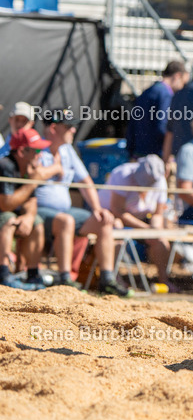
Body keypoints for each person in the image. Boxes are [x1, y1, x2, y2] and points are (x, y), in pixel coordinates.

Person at [32, 116, 132, 296]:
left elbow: (86, 181)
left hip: (64, 212)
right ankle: (65, 279)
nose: (73, 130)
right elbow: (32, 176)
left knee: (105, 221)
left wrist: (97, 209)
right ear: (54, 128)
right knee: (66, 221)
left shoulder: (67, 150)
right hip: (38, 211)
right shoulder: (37, 147)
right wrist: (54, 169)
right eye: (68, 126)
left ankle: (107, 279)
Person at [99, 155, 173, 286]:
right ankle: (113, 279)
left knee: (161, 241)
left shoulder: (159, 180)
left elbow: (158, 214)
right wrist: (145, 228)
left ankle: (164, 281)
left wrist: (154, 229)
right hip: (111, 217)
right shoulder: (122, 174)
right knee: (117, 230)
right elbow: (117, 210)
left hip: (141, 219)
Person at [0, 129, 46, 290]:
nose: (40, 154)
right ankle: (3, 274)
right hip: (5, 215)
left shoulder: (27, 168)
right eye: (37, 150)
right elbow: (5, 204)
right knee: (9, 220)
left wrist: (28, 217)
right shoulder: (5, 165)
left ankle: (33, 274)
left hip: (11, 212)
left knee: (37, 223)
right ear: (21, 151)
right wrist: (32, 183)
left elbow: (32, 200)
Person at [126, 60, 188, 159]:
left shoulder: (147, 91)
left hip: (138, 153)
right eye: (183, 83)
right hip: (155, 157)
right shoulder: (166, 95)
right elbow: (163, 126)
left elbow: (132, 124)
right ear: (177, 76)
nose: (182, 87)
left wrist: (130, 151)